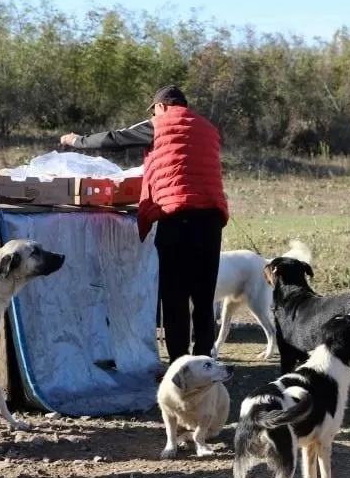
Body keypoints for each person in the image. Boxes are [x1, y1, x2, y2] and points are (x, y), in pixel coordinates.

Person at [61, 86, 229, 363]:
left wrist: (77, 140)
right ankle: (205, 363)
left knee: (175, 296)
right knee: (203, 296)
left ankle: (179, 363)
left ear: (161, 106)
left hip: (176, 216)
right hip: (211, 218)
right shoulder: (208, 128)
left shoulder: (161, 121)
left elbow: (115, 138)